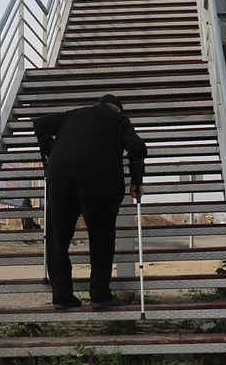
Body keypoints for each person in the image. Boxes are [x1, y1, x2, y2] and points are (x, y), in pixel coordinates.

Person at [33, 94, 147, 310]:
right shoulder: (118, 119)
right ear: (117, 109)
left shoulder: (73, 114)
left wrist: (49, 153)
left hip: (59, 176)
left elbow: (40, 124)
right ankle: (99, 294)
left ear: (99, 105)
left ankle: (62, 295)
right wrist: (136, 180)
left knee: (57, 238)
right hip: (98, 180)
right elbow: (136, 147)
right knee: (101, 237)